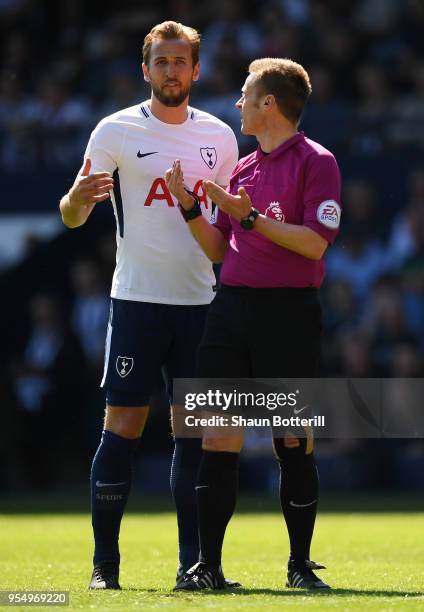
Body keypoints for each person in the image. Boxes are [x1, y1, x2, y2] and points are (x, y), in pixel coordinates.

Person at [59, 21, 239, 590]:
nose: (170, 71)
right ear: (146, 69)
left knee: (197, 433)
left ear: (196, 70)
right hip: (136, 301)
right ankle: (103, 568)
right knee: (123, 426)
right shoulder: (113, 130)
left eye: (180, 62)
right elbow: (71, 214)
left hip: (199, 305)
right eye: (160, 62)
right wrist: (73, 201)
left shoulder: (220, 136)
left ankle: (195, 567)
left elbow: (227, 227)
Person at [165, 57, 342, 590]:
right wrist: (192, 210)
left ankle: (299, 566)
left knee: (292, 439)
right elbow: (220, 250)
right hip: (231, 310)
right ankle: (209, 569)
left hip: (288, 314)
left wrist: (248, 217)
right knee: (217, 439)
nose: (238, 103)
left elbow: (314, 242)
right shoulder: (241, 168)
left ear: (270, 103)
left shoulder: (317, 161)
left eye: (246, 94)